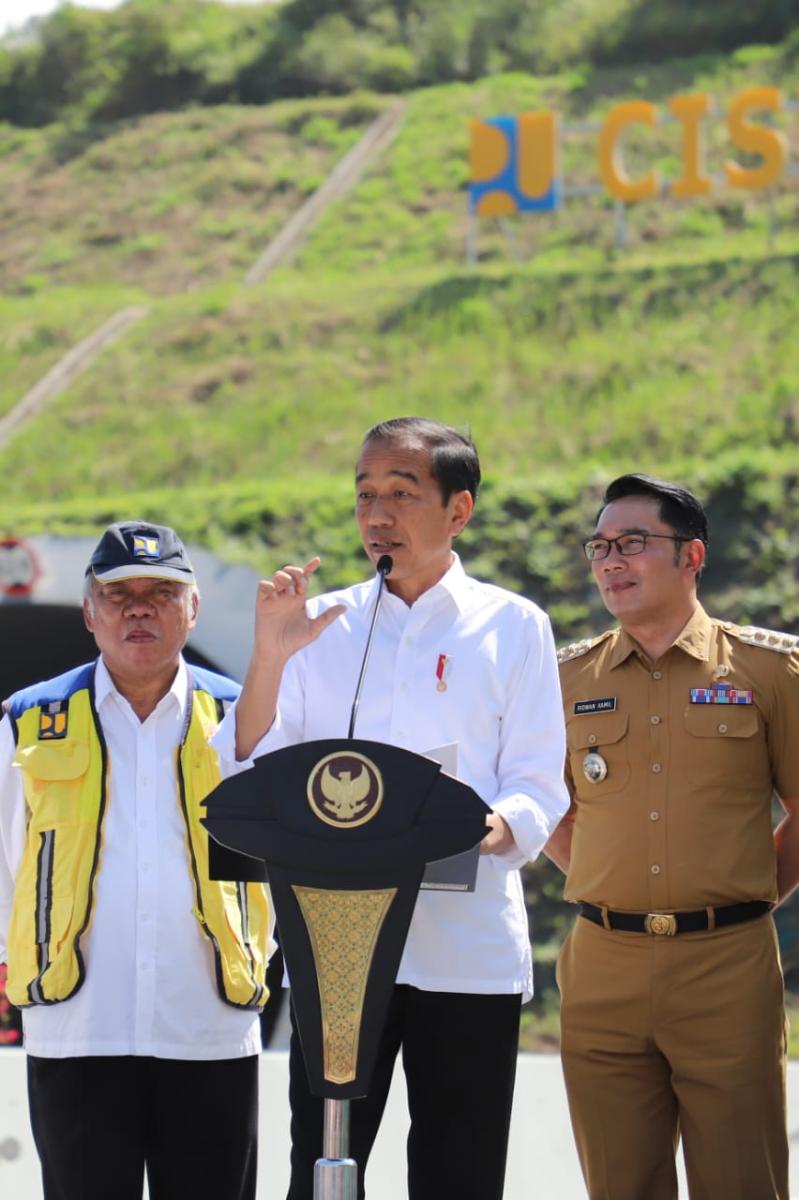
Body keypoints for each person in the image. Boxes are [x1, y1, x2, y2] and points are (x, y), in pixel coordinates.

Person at [231, 417, 569, 1200]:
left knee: (460, 1171)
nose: (377, 514)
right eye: (364, 495)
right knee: (315, 1172)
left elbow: (535, 785)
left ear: (459, 510)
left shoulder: (511, 625)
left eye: (401, 494)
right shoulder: (319, 623)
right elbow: (250, 761)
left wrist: (466, 828)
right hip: (333, 948)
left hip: (464, 949)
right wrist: (269, 656)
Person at [0, 521, 272, 1200]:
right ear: (89, 611)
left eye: (161, 591)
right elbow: (5, 869)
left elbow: (275, 863)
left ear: (194, 608)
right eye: (119, 594)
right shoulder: (29, 720)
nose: (140, 608)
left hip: (207, 1024)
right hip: (76, 1025)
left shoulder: (244, 720)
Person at [546, 472, 799, 1200]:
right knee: (618, 1185)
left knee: (741, 1183)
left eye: (632, 543)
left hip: (725, 968)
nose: (609, 561)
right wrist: (601, 882)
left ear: (691, 556)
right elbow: (549, 810)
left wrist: (744, 898)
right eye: (599, 546)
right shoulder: (564, 677)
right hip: (601, 968)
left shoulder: (767, 669)